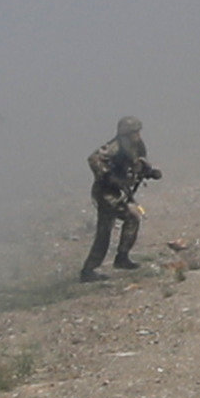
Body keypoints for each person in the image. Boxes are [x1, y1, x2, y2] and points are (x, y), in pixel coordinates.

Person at [80, 117, 160, 280]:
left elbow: (139, 163)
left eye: (138, 131)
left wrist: (149, 172)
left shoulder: (136, 146)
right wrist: (108, 176)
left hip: (119, 191)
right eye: (134, 132)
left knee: (125, 220)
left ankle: (115, 260)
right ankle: (93, 269)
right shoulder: (114, 147)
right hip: (106, 193)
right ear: (126, 134)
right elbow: (94, 159)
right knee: (118, 224)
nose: (138, 135)